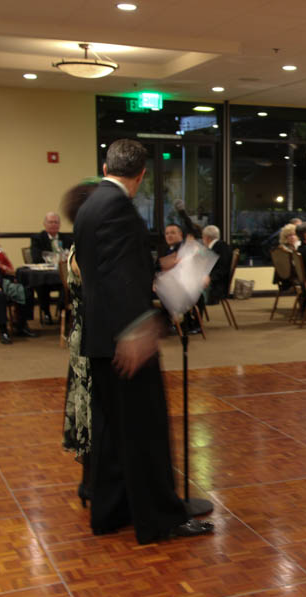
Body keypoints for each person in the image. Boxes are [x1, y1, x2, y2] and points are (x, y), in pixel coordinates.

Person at [74, 139, 213, 543]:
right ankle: (161, 520)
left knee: (115, 433)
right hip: (125, 339)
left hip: (100, 335)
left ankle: (113, 511)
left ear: (105, 165)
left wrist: (159, 264)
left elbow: (107, 264)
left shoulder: (91, 204)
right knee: (145, 432)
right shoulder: (119, 208)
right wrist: (137, 327)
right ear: (142, 175)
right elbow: (119, 279)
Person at [59, 181, 98, 508]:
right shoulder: (84, 248)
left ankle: (95, 478)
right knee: (91, 408)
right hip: (88, 338)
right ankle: (92, 481)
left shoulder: (85, 244)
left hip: (86, 334)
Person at [31, 212, 72, 324]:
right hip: (46, 276)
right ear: (45, 224)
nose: (53, 224)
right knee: (40, 285)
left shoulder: (67, 239)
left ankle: (63, 313)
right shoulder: (38, 238)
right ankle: (46, 313)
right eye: (50, 222)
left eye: (56, 222)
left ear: (59, 225)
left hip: (62, 275)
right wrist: (52, 257)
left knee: (68, 285)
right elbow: (36, 258)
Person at [201, 225, 233, 303]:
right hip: (215, 283)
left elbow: (222, 269)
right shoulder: (218, 246)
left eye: (203, 238)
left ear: (207, 237)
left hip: (216, 287)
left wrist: (210, 277)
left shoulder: (221, 247)